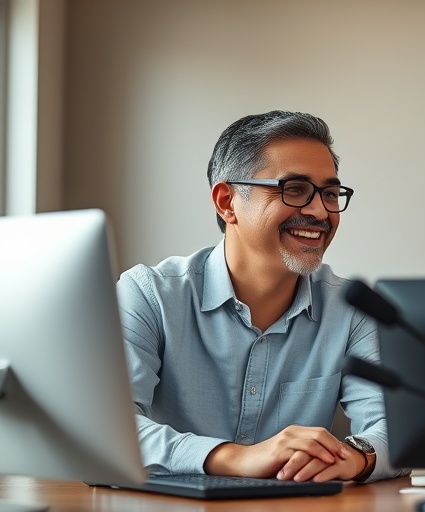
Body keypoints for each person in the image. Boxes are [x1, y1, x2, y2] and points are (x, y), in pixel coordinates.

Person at [117, 110, 404, 483]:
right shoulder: (148, 295)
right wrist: (233, 458)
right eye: (295, 189)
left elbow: (396, 430)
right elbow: (112, 428)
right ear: (227, 201)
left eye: (330, 194)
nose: (320, 211)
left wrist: (354, 456)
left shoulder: (353, 310)